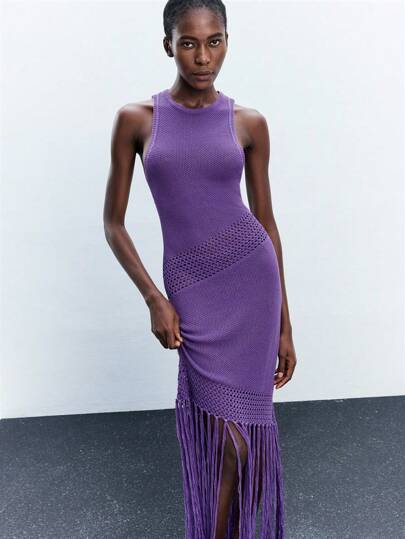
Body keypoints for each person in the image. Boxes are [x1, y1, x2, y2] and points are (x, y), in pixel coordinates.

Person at [103, 1, 297, 537]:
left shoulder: (248, 122)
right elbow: (113, 224)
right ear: (168, 45)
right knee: (217, 432)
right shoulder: (137, 120)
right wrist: (153, 298)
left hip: (252, 284)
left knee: (238, 440)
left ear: (227, 42)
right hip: (190, 290)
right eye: (188, 43)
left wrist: (285, 325)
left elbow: (267, 224)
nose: (203, 57)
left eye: (214, 42)